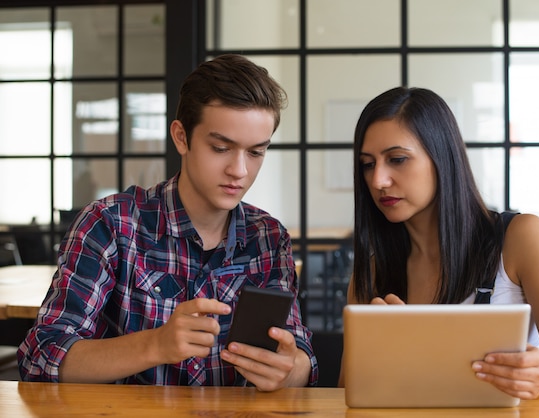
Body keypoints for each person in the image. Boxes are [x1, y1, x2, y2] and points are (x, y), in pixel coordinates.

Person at [17, 54, 317, 390]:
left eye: (256, 152)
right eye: (220, 148)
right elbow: (41, 358)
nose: (240, 170)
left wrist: (289, 370)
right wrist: (156, 345)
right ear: (181, 137)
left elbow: (300, 355)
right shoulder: (109, 225)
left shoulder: (269, 238)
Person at [337, 86, 539, 399]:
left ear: (442, 157)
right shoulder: (372, 271)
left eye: (397, 159)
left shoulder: (519, 237)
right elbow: (347, 393)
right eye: (368, 164)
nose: (378, 180)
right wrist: (375, 352)